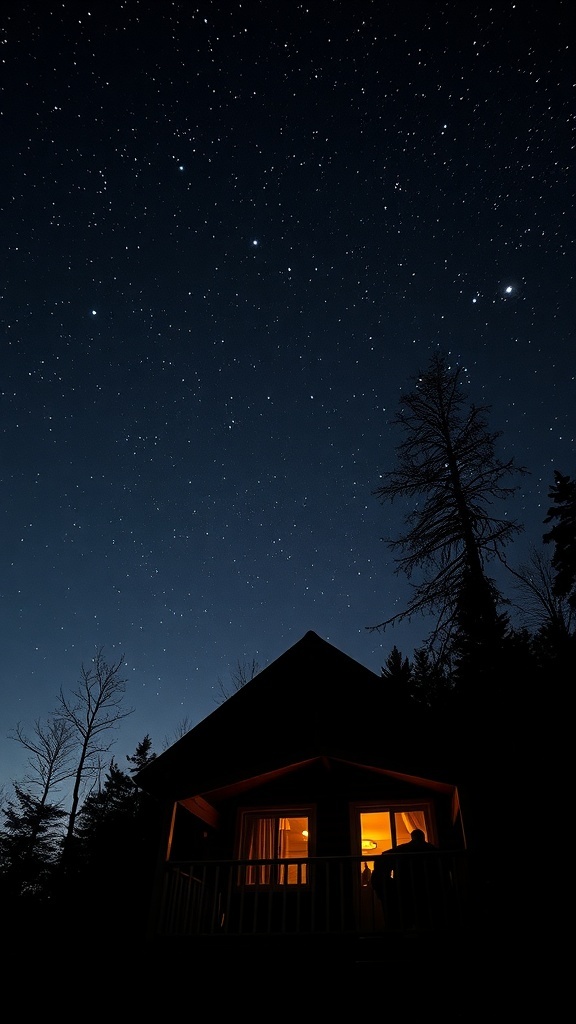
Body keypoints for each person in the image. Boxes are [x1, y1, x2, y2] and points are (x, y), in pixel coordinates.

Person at [371, 829, 443, 929]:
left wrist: (387, 886)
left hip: (405, 891)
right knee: (428, 922)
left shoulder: (402, 850)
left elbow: (382, 860)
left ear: (412, 837)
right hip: (430, 891)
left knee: (406, 922)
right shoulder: (434, 852)